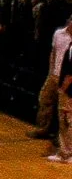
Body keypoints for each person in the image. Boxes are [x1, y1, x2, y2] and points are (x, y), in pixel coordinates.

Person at [36, 14, 72, 145]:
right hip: (54, 74)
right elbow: (53, 51)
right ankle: (43, 129)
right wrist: (51, 70)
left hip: (67, 78)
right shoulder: (58, 34)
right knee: (44, 99)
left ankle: (62, 139)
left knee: (63, 111)